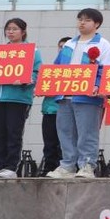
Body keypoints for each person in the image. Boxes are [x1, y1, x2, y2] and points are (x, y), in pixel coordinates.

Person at [47, 8, 110, 179]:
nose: (82, 23)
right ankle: (67, 165)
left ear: (97, 24)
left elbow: (105, 70)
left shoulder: (103, 44)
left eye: (87, 20)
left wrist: (98, 86)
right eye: (80, 19)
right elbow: (56, 68)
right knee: (65, 132)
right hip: (65, 95)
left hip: (88, 97)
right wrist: (47, 86)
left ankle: (87, 166)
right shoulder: (69, 44)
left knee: (87, 133)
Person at [0, 18, 42, 179]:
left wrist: (26, 79)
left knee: (13, 132)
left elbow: (37, 72)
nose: (10, 31)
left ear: (23, 31)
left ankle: (10, 167)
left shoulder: (32, 50)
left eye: (15, 29)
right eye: (8, 29)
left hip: (18, 98)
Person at [38, 36, 70, 175]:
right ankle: (49, 168)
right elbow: (41, 88)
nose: (62, 50)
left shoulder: (77, 71)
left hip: (67, 110)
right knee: (49, 143)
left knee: (65, 143)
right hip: (50, 111)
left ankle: (65, 168)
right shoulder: (50, 71)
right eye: (60, 47)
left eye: (66, 47)